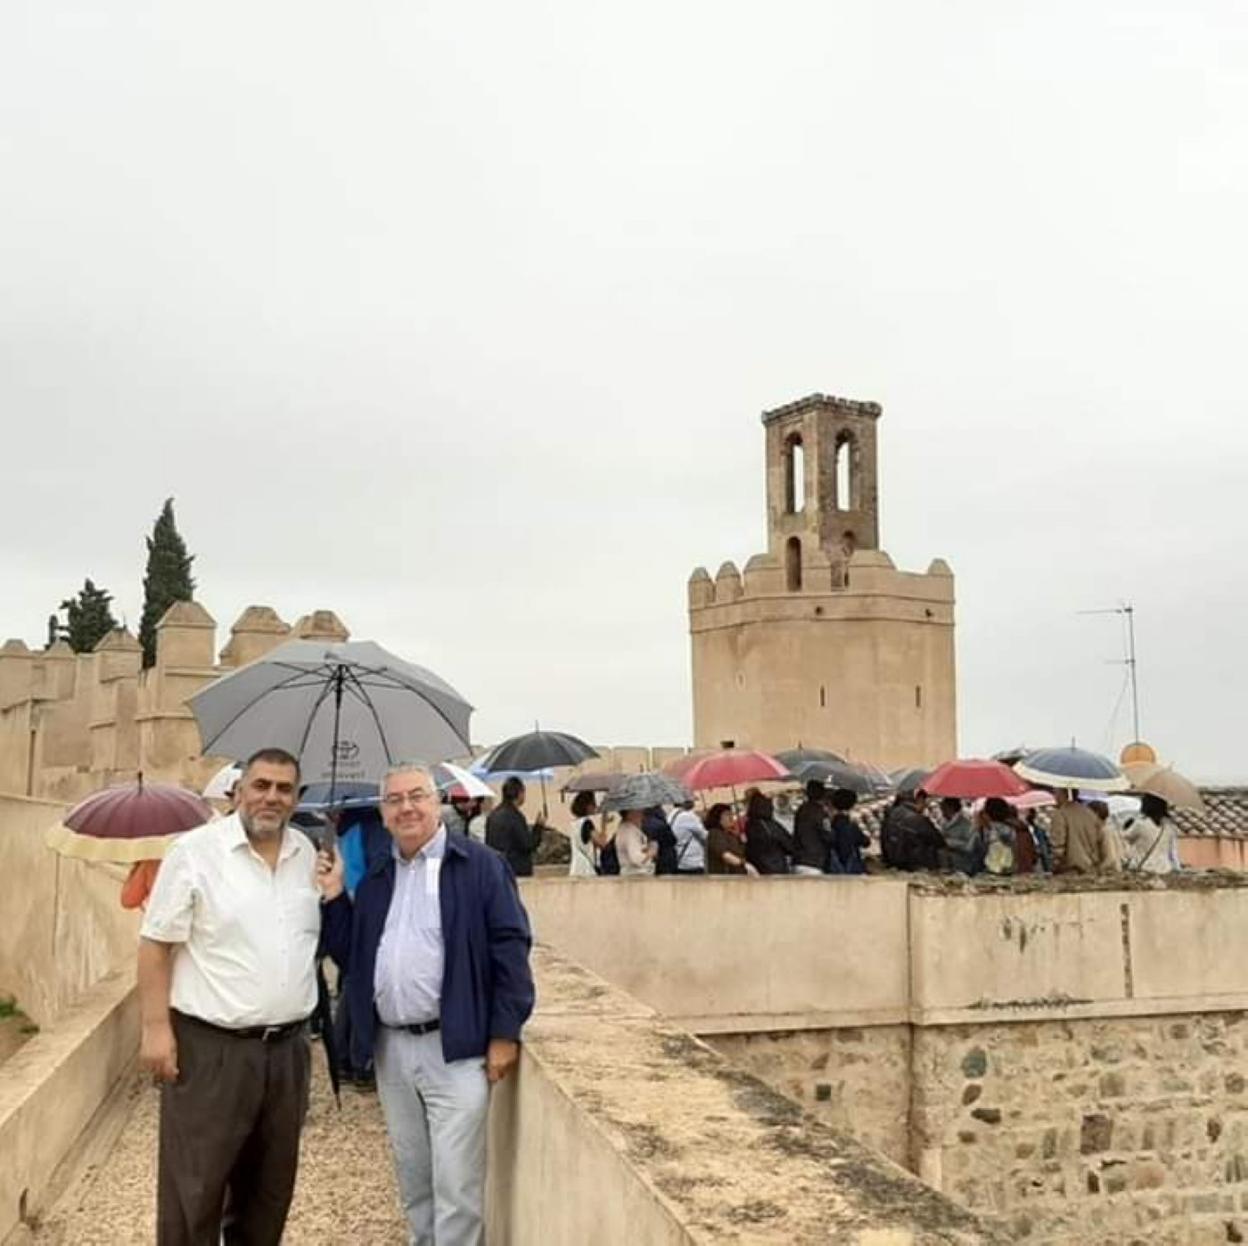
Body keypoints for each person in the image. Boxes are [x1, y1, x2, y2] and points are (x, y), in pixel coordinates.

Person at [138, 748, 343, 1246]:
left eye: (284, 789)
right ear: (238, 792)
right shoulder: (194, 852)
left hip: (288, 1053)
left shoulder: (308, 858)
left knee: (269, 1194)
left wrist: (334, 895)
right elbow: (156, 944)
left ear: (296, 799)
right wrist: (156, 1028)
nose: (272, 797)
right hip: (212, 1050)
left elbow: (327, 947)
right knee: (196, 1191)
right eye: (261, 785)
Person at [323, 761, 535, 1246]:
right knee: (415, 1179)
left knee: (456, 1186)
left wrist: (505, 1032)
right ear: (383, 812)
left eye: (416, 796)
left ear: (437, 801)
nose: (407, 807)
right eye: (394, 800)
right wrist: (335, 896)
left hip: (455, 1046)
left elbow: (511, 946)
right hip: (393, 1051)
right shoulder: (378, 877)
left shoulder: (478, 865)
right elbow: (352, 957)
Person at [485, 777, 546, 877]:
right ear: (519, 794)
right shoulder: (514, 816)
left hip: (497, 868)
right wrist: (538, 828)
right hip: (516, 870)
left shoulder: (493, 815)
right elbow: (527, 844)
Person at [1049, 789, 1114, 873]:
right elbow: (1101, 844)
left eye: (1055, 793)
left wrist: (1055, 866)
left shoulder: (1060, 815)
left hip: (1070, 871)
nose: (1054, 797)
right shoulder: (1090, 814)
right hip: (1091, 870)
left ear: (1063, 794)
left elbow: (1058, 848)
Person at [880, 788, 944, 871]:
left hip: (892, 861)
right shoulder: (917, 819)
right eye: (924, 802)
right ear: (919, 800)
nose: (925, 806)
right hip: (913, 864)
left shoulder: (890, 814)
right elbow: (938, 841)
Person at [1123, 793, 1180, 874]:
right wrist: (1177, 869)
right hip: (1164, 871)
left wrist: (1127, 826)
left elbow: (1125, 838)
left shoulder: (1140, 824)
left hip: (1144, 870)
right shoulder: (1170, 827)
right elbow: (1173, 852)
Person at [743, 791, 796, 875]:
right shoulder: (770, 825)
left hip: (758, 869)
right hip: (777, 868)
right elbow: (788, 845)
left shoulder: (749, 825)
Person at [793, 780, 834, 877]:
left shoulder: (801, 810)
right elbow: (828, 836)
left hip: (799, 860)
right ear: (822, 794)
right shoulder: (821, 813)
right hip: (814, 862)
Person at [704, 802, 756, 875]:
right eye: (727, 814)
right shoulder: (715, 833)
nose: (731, 817)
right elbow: (725, 855)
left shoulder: (730, 834)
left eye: (731, 814)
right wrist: (743, 864)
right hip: (726, 878)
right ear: (718, 818)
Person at [827, 788, 869, 874]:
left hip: (833, 867)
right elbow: (865, 842)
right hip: (851, 867)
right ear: (852, 805)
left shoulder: (830, 824)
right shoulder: (851, 826)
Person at [938, 797, 982, 875]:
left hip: (962, 866)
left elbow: (969, 847)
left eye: (943, 808)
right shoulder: (943, 822)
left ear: (950, 808)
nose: (941, 811)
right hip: (947, 864)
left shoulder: (966, 825)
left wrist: (950, 842)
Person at [567, 790, 606, 877]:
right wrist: (604, 823)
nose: (595, 806)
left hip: (576, 868)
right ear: (587, 806)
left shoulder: (574, 824)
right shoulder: (586, 823)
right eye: (593, 804)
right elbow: (602, 843)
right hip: (587, 869)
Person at [615, 806, 657, 876]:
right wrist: (651, 852)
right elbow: (636, 858)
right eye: (638, 811)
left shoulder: (628, 828)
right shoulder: (629, 832)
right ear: (630, 813)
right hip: (635, 875)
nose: (642, 813)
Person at [670, 798, 708, 874]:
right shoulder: (687, 816)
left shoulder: (671, 815)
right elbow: (705, 836)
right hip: (691, 863)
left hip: (678, 861)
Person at [643, 805, 679, 875]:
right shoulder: (660, 824)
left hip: (652, 860)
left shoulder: (643, 823)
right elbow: (673, 839)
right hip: (666, 858)